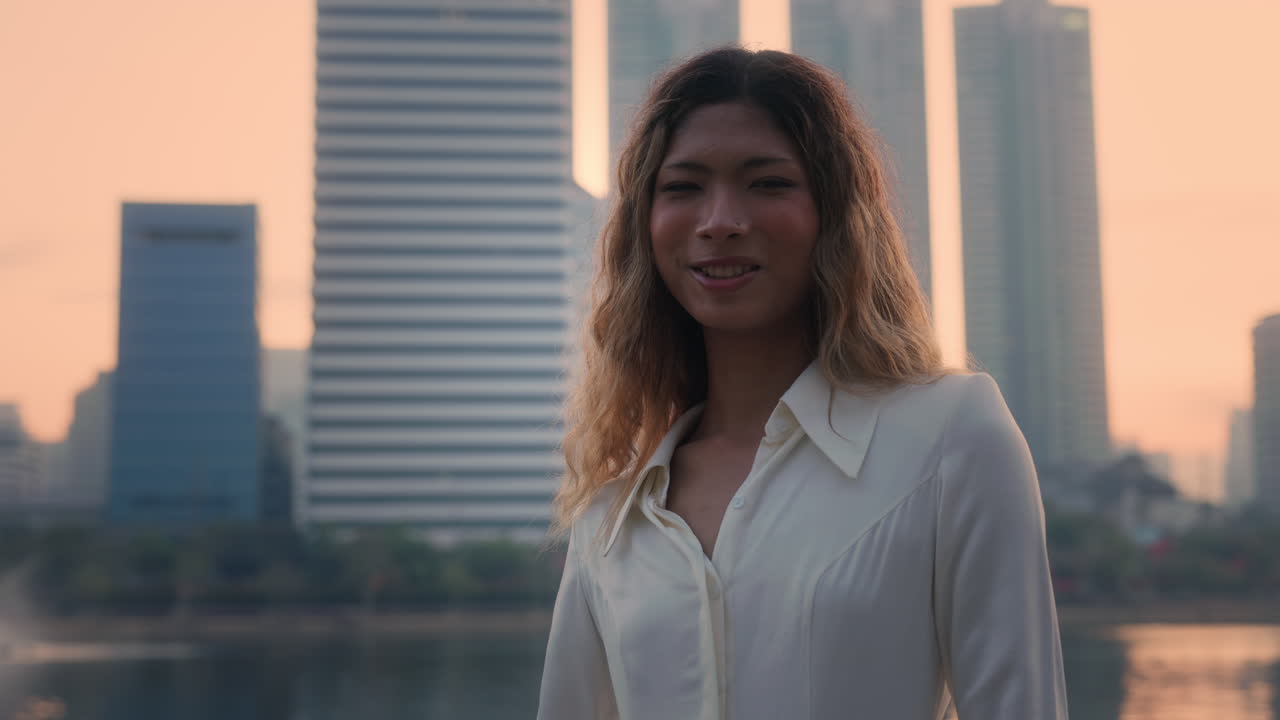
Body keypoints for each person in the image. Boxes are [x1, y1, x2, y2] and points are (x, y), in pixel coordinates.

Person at [537, 46, 1068, 720]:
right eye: (683, 187)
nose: (720, 220)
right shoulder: (615, 503)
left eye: (767, 183)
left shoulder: (952, 437)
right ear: (646, 225)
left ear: (835, 215)